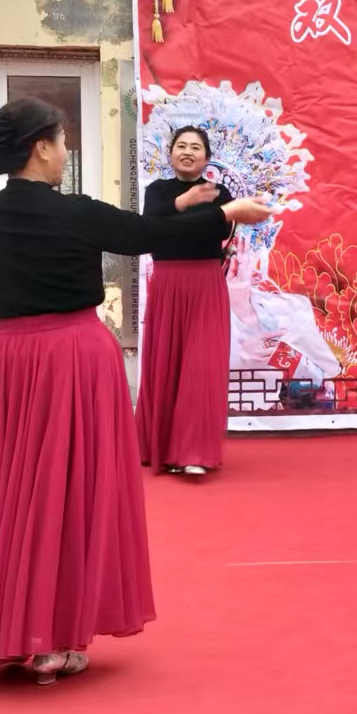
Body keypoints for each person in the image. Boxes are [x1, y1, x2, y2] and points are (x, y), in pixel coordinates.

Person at [0, 97, 274, 684]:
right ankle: (53, 636)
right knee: (71, 490)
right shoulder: (74, 212)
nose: (66, 152)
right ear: (41, 147)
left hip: (10, 359)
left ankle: (19, 628)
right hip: (74, 354)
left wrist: (190, 206)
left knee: (16, 488)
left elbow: (143, 229)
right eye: (62, 141)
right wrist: (225, 212)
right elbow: (143, 235)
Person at [135, 125, 235, 477]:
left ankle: (194, 451)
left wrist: (179, 216)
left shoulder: (219, 192)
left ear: (207, 157)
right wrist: (186, 207)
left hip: (206, 284)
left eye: (196, 147)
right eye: (181, 146)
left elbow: (218, 229)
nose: (188, 152)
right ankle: (161, 448)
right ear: (171, 153)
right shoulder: (157, 191)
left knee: (201, 367)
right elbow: (152, 227)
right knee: (166, 364)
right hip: (168, 284)